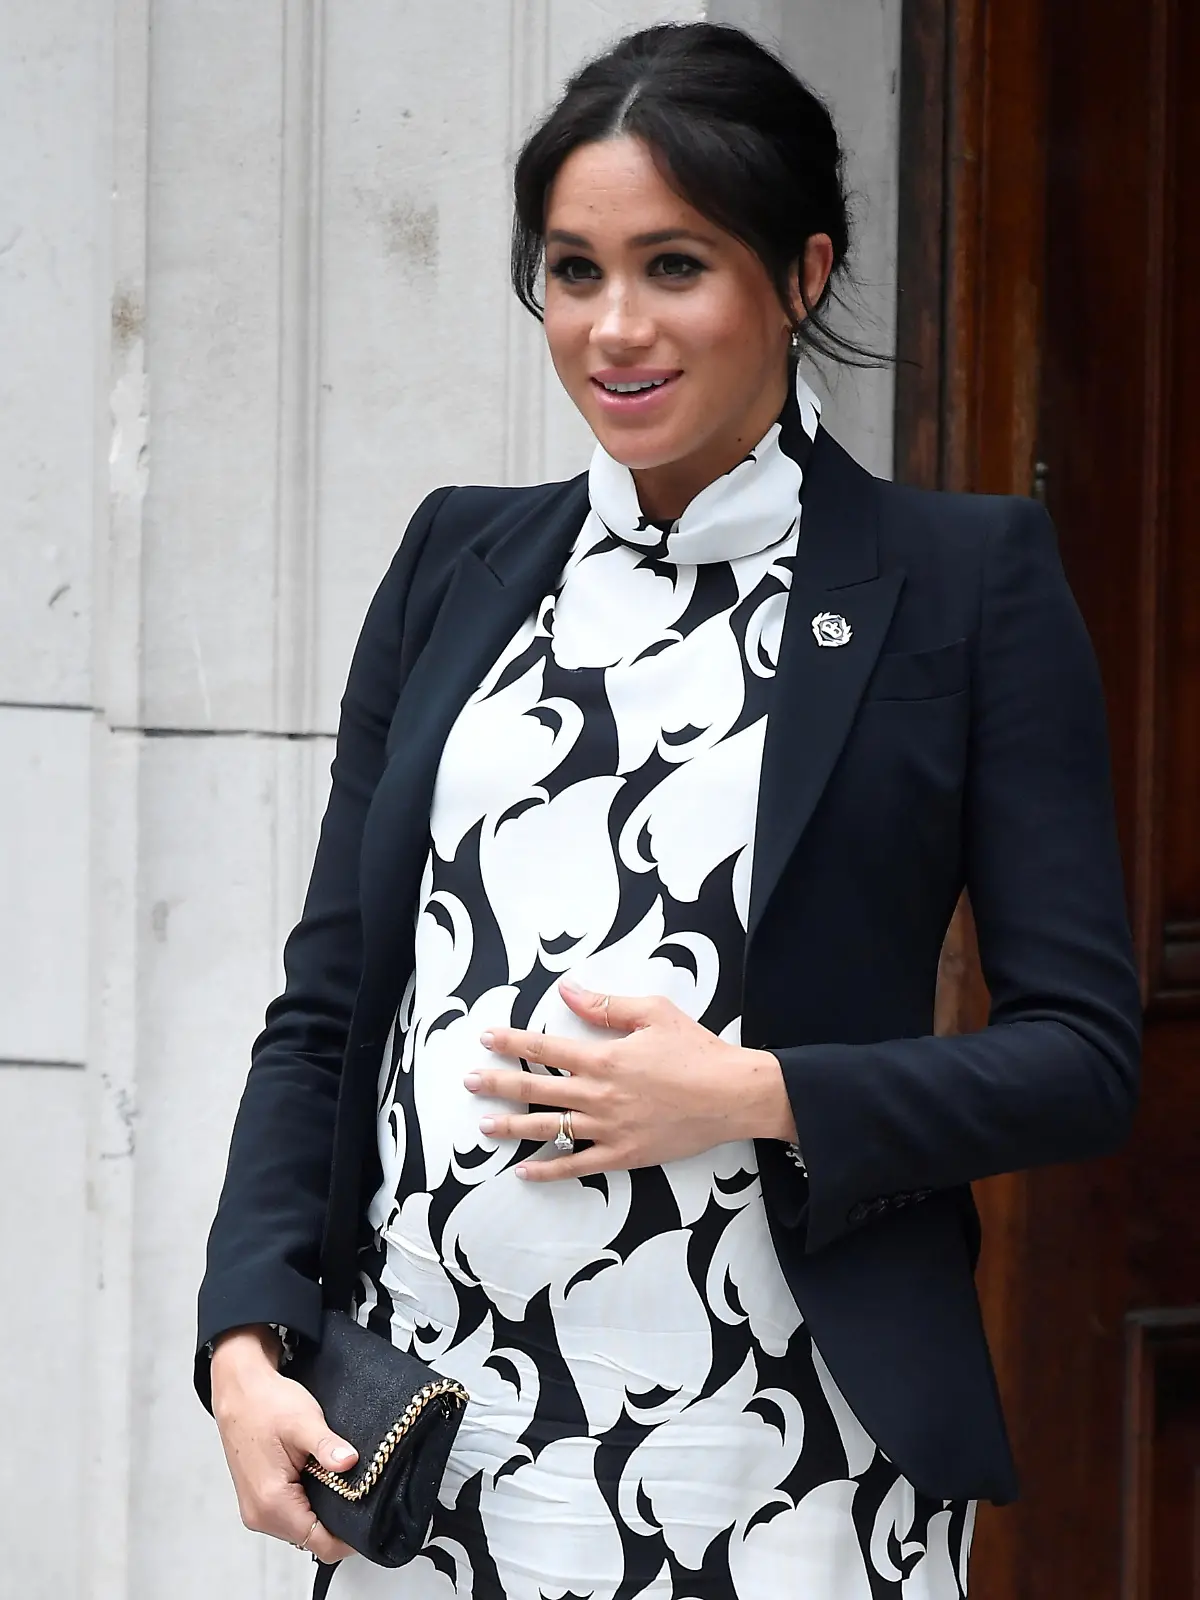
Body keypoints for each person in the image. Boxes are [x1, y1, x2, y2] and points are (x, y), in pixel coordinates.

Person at [196, 21, 1142, 1599]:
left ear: (804, 272)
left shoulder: (961, 586)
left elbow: (1085, 1060)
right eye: (573, 271)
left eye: (675, 266)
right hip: (433, 1443)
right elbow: (327, 1009)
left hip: (775, 1454)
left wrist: (758, 1093)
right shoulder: (456, 562)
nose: (613, 328)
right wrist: (245, 1338)